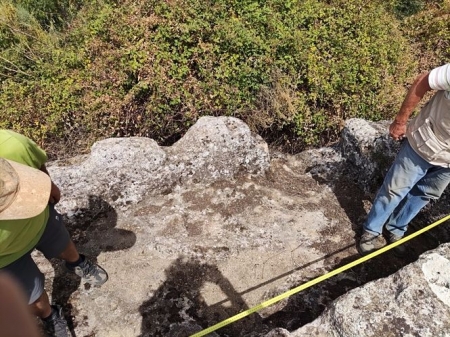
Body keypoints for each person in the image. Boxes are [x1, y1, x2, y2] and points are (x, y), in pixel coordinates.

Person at [0, 130, 108, 337]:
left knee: (63, 244)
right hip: (4, 259)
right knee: (33, 299)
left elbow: (35, 163)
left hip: (40, 221)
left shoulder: (10, 145)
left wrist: (48, 186)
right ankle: (50, 315)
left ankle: (76, 263)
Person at [358, 63, 450, 256]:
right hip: (424, 142)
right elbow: (422, 81)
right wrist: (401, 121)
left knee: (425, 195)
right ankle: (371, 231)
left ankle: (396, 229)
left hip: (448, 162)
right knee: (395, 189)